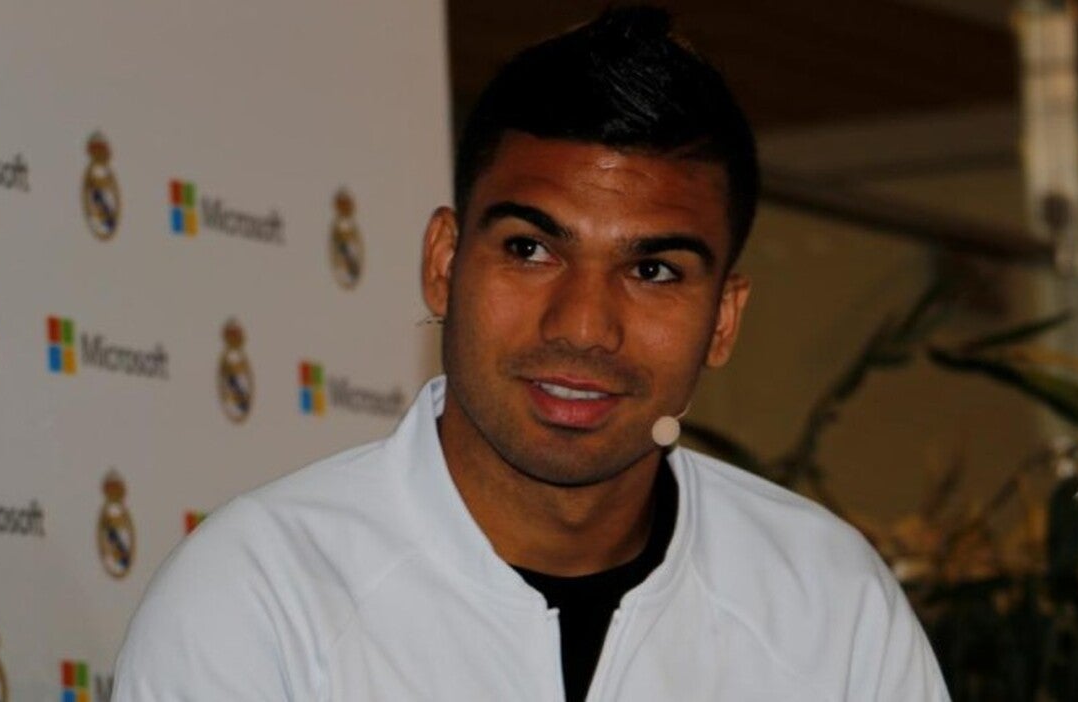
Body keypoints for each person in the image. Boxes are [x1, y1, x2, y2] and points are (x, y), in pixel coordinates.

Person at [113, 6, 950, 700]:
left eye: (653, 270)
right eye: (531, 249)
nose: (583, 326)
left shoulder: (828, 606)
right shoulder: (261, 594)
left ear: (724, 320)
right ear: (444, 263)